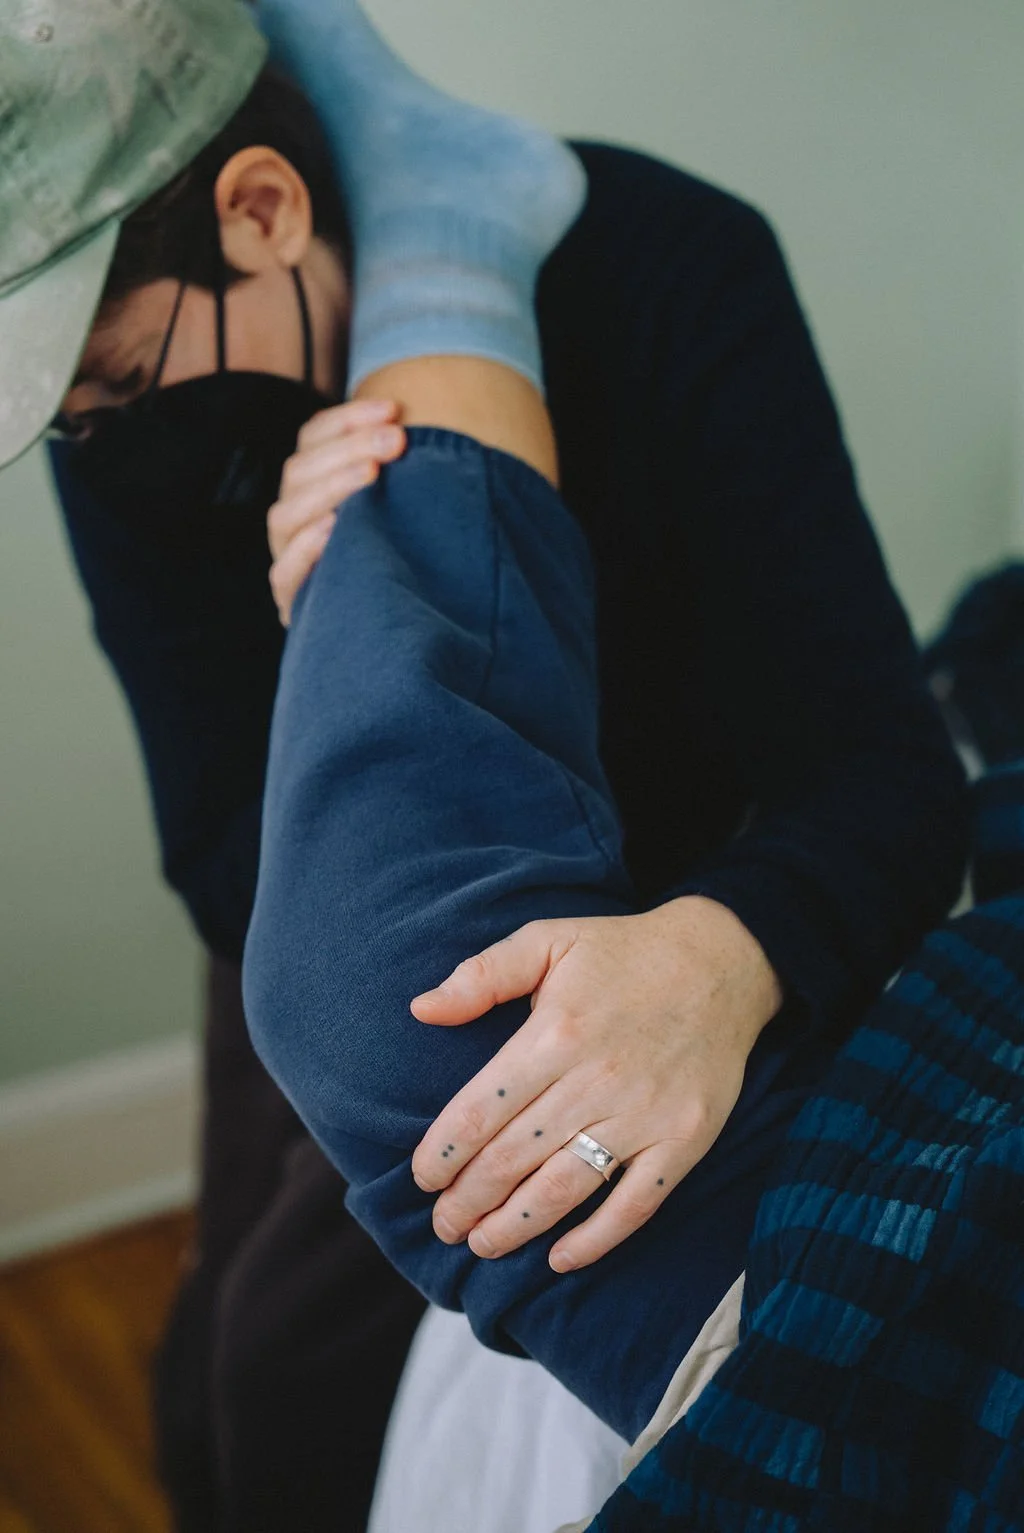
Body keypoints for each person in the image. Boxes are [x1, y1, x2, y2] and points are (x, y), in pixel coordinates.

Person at [1, 0, 968, 1525]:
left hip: (684, 894)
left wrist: (725, 959)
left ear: (262, 212)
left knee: (295, 1399)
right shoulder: (123, 427)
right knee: (224, 1389)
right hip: (337, 903)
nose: (96, 436)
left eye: (112, 383)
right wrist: (343, 624)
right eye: (69, 417)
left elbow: (894, 781)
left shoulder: (668, 268)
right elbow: (220, 843)